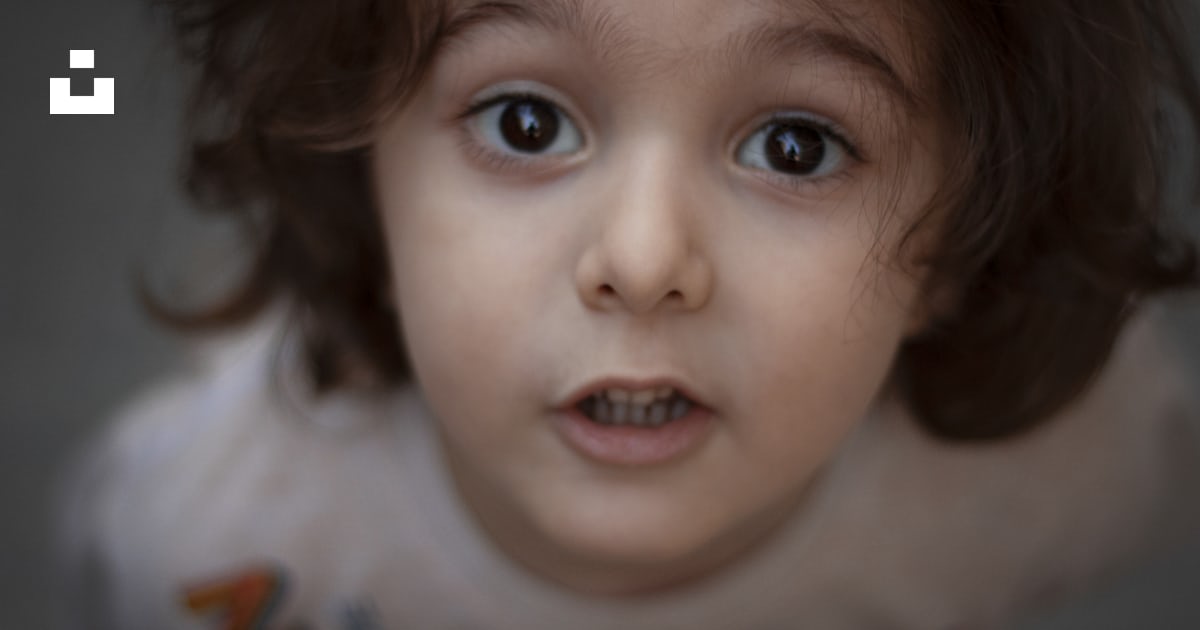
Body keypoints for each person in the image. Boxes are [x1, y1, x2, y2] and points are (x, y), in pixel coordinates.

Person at [58, 0, 1200, 628]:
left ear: (953, 250)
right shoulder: (222, 530)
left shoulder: (1060, 473)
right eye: (524, 123)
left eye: (793, 145)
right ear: (367, 186)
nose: (644, 260)